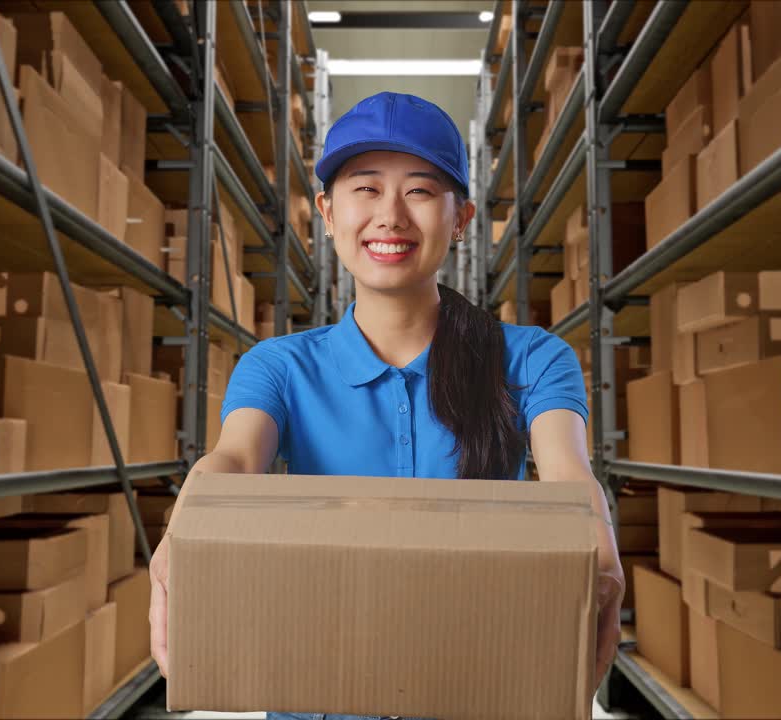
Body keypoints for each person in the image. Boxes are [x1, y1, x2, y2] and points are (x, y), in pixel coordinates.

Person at [148, 92, 624, 720]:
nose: (390, 216)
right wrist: (181, 536)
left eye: (421, 192)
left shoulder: (530, 358)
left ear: (461, 218)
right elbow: (234, 459)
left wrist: (598, 542)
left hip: (481, 687)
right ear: (327, 211)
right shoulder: (280, 366)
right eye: (365, 189)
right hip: (317, 691)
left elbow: (568, 474)